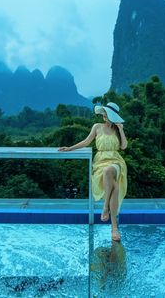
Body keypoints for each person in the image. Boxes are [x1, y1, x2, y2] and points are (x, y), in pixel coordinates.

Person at [59, 102, 128, 241]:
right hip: (100, 161)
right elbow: (86, 142)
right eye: (103, 114)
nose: (103, 117)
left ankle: (104, 208)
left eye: (106, 115)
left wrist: (121, 130)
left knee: (109, 171)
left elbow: (124, 146)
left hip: (115, 161)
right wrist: (70, 148)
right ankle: (114, 228)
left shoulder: (116, 129)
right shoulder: (97, 127)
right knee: (114, 185)